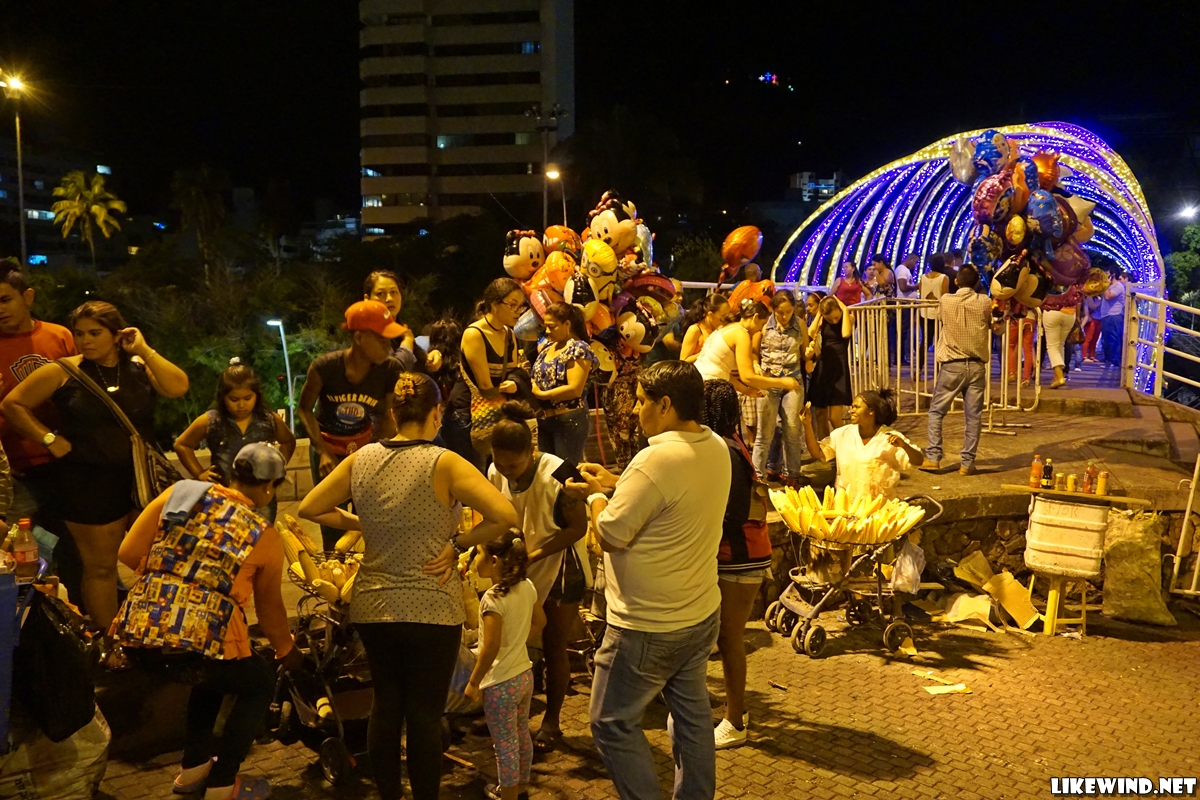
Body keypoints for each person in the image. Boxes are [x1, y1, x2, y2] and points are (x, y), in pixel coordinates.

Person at [299, 372, 519, 800]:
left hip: (374, 606)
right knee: (424, 715)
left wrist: (363, 523)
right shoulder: (445, 462)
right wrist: (458, 543)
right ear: (436, 412)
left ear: (393, 414)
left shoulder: (362, 458)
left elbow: (311, 506)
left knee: (385, 707)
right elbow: (505, 515)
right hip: (432, 606)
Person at [562, 361, 730, 800]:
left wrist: (596, 496)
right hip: (698, 614)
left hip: (647, 625)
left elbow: (610, 534)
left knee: (611, 721)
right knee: (692, 718)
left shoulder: (654, 459)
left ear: (666, 404)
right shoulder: (715, 445)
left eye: (641, 402)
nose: (636, 411)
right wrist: (618, 483)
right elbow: (669, 494)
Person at [112, 443, 303, 800]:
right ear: (269, 486)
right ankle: (223, 784)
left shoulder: (180, 493)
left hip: (139, 633)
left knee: (214, 678)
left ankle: (193, 771)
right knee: (258, 683)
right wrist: (287, 650)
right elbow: (270, 609)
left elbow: (128, 552)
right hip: (201, 640)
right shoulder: (264, 535)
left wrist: (175, 575)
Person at [1, 300, 189, 641]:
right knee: (100, 567)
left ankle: (154, 632)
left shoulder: (136, 366)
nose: (85, 340)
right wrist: (48, 438)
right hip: (88, 482)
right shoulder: (64, 371)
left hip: (141, 479)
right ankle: (110, 642)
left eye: (95, 333)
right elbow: (13, 404)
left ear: (117, 335)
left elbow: (178, 387)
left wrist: (143, 349)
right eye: (79, 333)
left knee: (159, 560)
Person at [486, 401, 588, 754]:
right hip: (519, 565)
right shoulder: (495, 471)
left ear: (531, 452)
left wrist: (532, 555)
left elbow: (577, 528)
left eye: (513, 466)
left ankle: (552, 721)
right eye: (500, 464)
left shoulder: (559, 473)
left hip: (561, 567)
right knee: (511, 644)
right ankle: (508, 715)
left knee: (553, 644)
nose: (507, 472)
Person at [297, 299, 407, 549]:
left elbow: (388, 415)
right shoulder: (325, 367)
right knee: (329, 519)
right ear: (358, 338)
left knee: (369, 516)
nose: (388, 347)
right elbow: (304, 409)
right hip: (327, 446)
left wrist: (382, 453)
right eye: (382, 340)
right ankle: (332, 566)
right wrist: (322, 452)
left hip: (363, 445)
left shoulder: (390, 369)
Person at [702, 380, 771, 750]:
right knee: (720, 636)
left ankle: (735, 721)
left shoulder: (726, 449)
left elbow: (733, 514)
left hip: (741, 556)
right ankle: (730, 709)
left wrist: (701, 541)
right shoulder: (727, 443)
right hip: (737, 553)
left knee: (729, 638)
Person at [0, 268, 71, 593]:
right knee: (22, 558)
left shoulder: (59, 337)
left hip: (65, 465)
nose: (0, 309)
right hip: (15, 473)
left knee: (73, 552)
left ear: (27, 296)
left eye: (5, 299)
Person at [465, 532, 546, 800]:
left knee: (505, 746)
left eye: (478, 553)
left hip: (501, 683)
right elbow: (540, 621)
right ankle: (520, 787)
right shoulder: (527, 586)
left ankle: (508, 796)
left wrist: (474, 682)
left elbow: (490, 647)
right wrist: (518, 641)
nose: (474, 559)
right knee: (521, 735)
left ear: (494, 561)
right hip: (524, 676)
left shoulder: (492, 598)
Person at [173, 360, 296, 522]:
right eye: (234, 399)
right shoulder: (211, 420)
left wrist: (276, 469)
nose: (241, 405)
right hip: (223, 495)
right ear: (223, 397)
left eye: (247, 398)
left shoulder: (268, 419)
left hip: (261, 498)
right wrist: (199, 473)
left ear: (257, 396)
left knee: (263, 534)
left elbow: (288, 441)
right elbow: (182, 444)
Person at [921, 265, 992, 476]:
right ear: (977, 282)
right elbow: (990, 323)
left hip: (952, 365)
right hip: (977, 366)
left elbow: (940, 316)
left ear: (956, 281)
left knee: (936, 412)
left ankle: (933, 458)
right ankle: (967, 464)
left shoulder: (946, 300)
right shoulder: (984, 302)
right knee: (973, 417)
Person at [801, 389, 923, 499]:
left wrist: (904, 446)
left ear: (871, 411)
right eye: (852, 407)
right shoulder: (842, 434)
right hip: (846, 504)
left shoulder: (889, 437)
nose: (851, 411)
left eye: (856, 407)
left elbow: (918, 461)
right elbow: (817, 452)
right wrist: (807, 425)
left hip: (879, 505)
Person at [461, 278, 525, 457]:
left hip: (499, 412)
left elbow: (514, 373)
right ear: (495, 305)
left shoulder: (510, 334)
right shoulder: (474, 334)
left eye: (520, 306)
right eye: (512, 305)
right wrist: (512, 385)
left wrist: (515, 382)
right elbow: (485, 385)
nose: (518, 312)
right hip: (471, 415)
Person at [750, 290, 807, 485]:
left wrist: (811, 354)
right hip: (769, 380)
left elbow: (805, 354)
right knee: (764, 432)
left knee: (792, 430)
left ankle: (793, 475)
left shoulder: (799, 324)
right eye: (780, 312)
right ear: (773, 309)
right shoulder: (764, 325)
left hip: (792, 380)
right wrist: (755, 364)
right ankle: (758, 477)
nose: (784, 316)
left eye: (789, 311)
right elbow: (753, 352)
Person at [530, 302, 596, 464]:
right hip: (545, 420)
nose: (547, 331)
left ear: (567, 324)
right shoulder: (548, 348)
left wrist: (542, 394)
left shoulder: (579, 348)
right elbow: (534, 376)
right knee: (548, 470)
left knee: (565, 472)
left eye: (551, 326)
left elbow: (574, 389)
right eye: (545, 326)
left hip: (569, 420)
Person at [693, 302, 803, 397]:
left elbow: (722, 371)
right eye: (762, 324)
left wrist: (746, 391)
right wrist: (783, 382)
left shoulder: (728, 327)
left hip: (699, 381)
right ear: (755, 317)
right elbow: (748, 377)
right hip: (707, 387)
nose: (760, 330)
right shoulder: (741, 334)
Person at [808, 296, 853, 440]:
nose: (833, 321)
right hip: (824, 366)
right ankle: (825, 445)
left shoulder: (848, 318)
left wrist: (845, 309)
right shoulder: (823, 320)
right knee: (820, 413)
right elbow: (811, 332)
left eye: (836, 317)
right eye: (830, 319)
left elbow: (845, 333)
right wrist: (819, 315)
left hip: (839, 367)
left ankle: (847, 444)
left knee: (834, 417)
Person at [364, 269, 419, 370]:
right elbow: (392, 372)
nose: (389, 298)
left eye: (393, 292)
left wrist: (433, 356)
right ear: (367, 299)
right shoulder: (367, 335)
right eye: (380, 293)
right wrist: (407, 342)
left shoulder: (400, 330)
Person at [1040, 285, 1084, 390]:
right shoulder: (1074, 279)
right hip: (1070, 313)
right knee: (1060, 345)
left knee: (1052, 346)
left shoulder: (1053, 277)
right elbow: (1078, 300)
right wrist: (1078, 316)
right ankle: (1057, 376)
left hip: (1052, 310)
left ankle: (1059, 376)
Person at [679, 294, 731, 363]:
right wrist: (707, 351)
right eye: (723, 315)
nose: (727, 318)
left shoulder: (722, 328)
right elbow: (684, 360)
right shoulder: (695, 330)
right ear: (710, 314)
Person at [919, 254, 951, 352]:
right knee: (939, 340)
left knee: (925, 340)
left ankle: (920, 361)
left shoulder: (923, 277)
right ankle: (939, 361)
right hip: (938, 314)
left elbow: (921, 294)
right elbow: (945, 296)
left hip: (924, 313)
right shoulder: (944, 278)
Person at [894, 254, 919, 366]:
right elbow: (903, 287)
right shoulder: (902, 270)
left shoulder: (904, 270)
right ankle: (899, 358)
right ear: (910, 259)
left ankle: (901, 357)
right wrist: (916, 286)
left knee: (904, 332)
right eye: (915, 262)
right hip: (904, 304)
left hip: (906, 304)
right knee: (902, 332)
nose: (915, 265)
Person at [1101, 270, 1129, 369]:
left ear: (1113, 275)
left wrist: (1105, 285)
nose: (1105, 276)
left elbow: (1108, 296)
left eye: (1107, 274)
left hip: (1114, 315)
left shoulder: (1118, 286)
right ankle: (1108, 360)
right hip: (1106, 315)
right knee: (1106, 339)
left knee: (1113, 338)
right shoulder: (1110, 286)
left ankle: (1115, 362)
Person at [1082, 293, 1102, 363]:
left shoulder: (1099, 296)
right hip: (1092, 318)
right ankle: (1084, 356)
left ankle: (1092, 355)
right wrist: (1101, 301)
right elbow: (1092, 306)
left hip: (1099, 318)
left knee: (1095, 339)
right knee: (1088, 338)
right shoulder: (1089, 296)